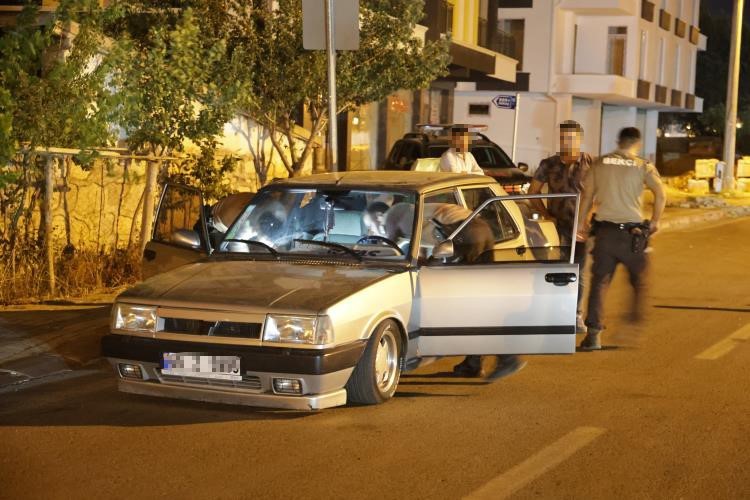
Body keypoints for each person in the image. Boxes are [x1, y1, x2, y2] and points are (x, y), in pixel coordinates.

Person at [577, 127, 666, 350]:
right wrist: (655, 220)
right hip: (633, 236)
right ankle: (634, 325)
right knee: (639, 280)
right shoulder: (642, 165)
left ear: (618, 141)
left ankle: (594, 335)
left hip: (605, 234)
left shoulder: (599, 163)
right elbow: (661, 193)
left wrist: (582, 223)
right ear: (636, 143)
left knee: (600, 283)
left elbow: (587, 195)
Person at [528, 120, 593, 334]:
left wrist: (587, 219)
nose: (567, 142)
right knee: (553, 269)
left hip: (580, 228)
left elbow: (600, 194)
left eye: (572, 138)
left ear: (580, 139)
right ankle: (552, 314)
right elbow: (533, 191)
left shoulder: (590, 163)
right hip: (555, 228)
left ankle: (576, 315)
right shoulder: (548, 164)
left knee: (578, 272)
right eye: (564, 137)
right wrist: (546, 216)